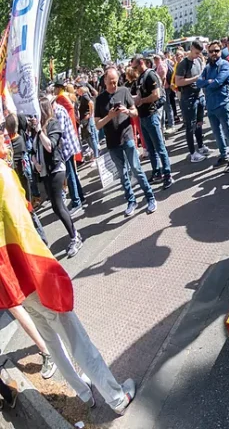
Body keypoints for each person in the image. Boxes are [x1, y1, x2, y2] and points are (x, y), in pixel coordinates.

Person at [0, 162, 135, 414]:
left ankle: (84, 393)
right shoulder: (1, 173)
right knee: (74, 336)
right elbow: (22, 228)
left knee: (52, 339)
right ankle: (116, 397)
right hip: (28, 269)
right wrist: (48, 269)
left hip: (12, 279)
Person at [94, 67, 157, 216]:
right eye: (110, 83)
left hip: (127, 137)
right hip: (112, 142)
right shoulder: (100, 99)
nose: (113, 85)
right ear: (104, 81)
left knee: (136, 169)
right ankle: (131, 200)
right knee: (122, 175)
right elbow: (97, 125)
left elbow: (135, 112)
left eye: (115, 82)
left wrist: (126, 111)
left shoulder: (124, 91)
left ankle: (150, 197)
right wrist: (109, 116)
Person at [31, 99, 83, 257]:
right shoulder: (37, 128)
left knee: (59, 206)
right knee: (56, 206)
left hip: (56, 169)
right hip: (45, 172)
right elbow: (34, 150)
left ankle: (75, 237)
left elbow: (50, 146)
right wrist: (35, 163)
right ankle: (75, 233)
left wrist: (39, 131)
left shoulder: (53, 124)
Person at [132, 55, 174, 189]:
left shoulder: (150, 75)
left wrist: (141, 100)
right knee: (150, 148)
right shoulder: (140, 77)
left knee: (159, 147)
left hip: (151, 114)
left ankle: (167, 174)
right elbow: (139, 95)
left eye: (135, 66)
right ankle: (157, 172)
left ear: (141, 62)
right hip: (143, 116)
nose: (134, 69)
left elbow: (156, 95)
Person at [197, 41, 229, 172]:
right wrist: (208, 82)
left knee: (228, 132)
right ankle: (223, 155)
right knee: (216, 132)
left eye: (216, 51)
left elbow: (218, 82)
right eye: (211, 51)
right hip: (210, 105)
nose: (214, 53)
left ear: (221, 51)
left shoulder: (225, 65)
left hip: (222, 103)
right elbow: (198, 83)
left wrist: (207, 83)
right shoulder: (208, 67)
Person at [53, 84, 86, 214]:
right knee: (72, 173)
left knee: (70, 174)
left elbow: (59, 132)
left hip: (66, 146)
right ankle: (80, 197)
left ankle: (76, 201)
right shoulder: (64, 98)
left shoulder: (60, 104)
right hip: (69, 143)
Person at [77, 84, 98, 160]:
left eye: (78, 88)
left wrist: (90, 114)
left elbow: (91, 103)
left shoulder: (84, 96)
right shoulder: (83, 96)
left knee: (91, 137)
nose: (76, 90)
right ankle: (94, 154)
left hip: (87, 119)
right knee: (89, 137)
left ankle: (96, 156)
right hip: (86, 119)